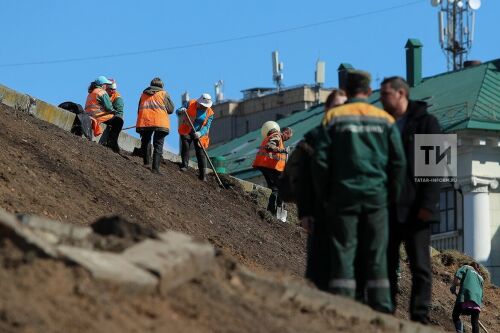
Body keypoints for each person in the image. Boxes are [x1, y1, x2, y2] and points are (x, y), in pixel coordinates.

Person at [319, 70, 406, 313]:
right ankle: (381, 309)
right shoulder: (385, 120)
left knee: (344, 250)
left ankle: (344, 307)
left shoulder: (334, 117)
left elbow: (321, 161)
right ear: (369, 92)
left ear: (345, 90)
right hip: (377, 198)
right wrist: (393, 196)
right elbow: (398, 164)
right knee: (377, 252)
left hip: (343, 196)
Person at [380, 76, 441, 324]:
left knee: (420, 267)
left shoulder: (427, 123)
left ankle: (419, 317)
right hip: (386, 209)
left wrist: (428, 205)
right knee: (385, 263)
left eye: (385, 94)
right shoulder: (382, 126)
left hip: (417, 211)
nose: (381, 100)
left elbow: (435, 168)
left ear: (401, 93)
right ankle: (385, 311)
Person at [297, 88, 346, 291]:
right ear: (327, 109)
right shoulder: (313, 139)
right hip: (319, 216)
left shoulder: (356, 141)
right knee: (317, 273)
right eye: (336, 107)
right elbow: (303, 180)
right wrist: (305, 213)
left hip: (346, 218)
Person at [136, 77, 175, 174]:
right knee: (158, 145)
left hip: (145, 121)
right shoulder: (164, 94)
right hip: (160, 122)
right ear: (161, 85)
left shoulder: (143, 94)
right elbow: (171, 109)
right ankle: (155, 169)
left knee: (145, 141)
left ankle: (146, 163)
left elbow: (139, 109)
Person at [253, 125, 293, 217]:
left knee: (276, 188)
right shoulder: (277, 136)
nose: (288, 139)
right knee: (276, 188)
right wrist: (282, 150)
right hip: (267, 165)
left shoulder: (276, 138)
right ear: (285, 133)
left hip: (266, 166)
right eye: (289, 137)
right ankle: (272, 211)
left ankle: (273, 210)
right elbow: (269, 146)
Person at [176, 93, 214, 181]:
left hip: (200, 135)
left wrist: (200, 133)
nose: (205, 107)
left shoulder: (210, 113)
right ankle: (184, 165)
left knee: (200, 154)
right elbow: (178, 111)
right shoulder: (190, 103)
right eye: (203, 105)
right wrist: (181, 110)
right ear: (199, 103)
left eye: (206, 106)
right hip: (187, 129)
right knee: (185, 145)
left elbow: (207, 126)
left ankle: (203, 175)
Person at [85, 76, 123, 153]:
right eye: (106, 84)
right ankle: (112, 142)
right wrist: (114, 111)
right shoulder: (102, 92)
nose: (107, 86)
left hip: (89, 115)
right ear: (102, 84)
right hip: (99, 116)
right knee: (118, 121)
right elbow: (109, 107)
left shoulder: (91, 92)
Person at [450, 262, 484, 333]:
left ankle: (459, 329)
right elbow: (480, 290)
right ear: (477, 269)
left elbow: (458, 274)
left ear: (471, 265)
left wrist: (453, 286)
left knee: (455, 315)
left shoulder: (467, 267)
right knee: (475, 322)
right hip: (477, 301)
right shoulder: (481, 278)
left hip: (466, 297)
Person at [99, 78, 124, 146]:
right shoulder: (102, 93)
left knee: (118, 121)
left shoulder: (117, 98)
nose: (112, 91)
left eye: (114, 89)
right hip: (100, 116)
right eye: (110, 89)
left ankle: (111, 142)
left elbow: (119, 113)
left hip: (107, 117)